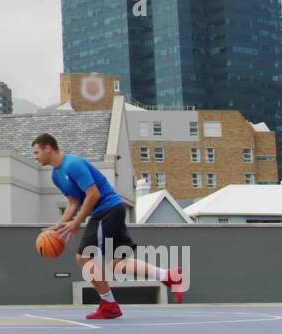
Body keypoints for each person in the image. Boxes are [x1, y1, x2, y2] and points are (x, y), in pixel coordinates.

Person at [31, 133, 184, 320]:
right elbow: (73, 202)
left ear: (48, 148)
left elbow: (93, 194)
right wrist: (58, 226)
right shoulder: (56, 176)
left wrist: (77, 223)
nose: (35, 157)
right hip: (104, 213)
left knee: (83, 257)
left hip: (107, 210)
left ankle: (109, 304)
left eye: (36, 152)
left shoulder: (73, 164)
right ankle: (169, 275)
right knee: (116, 265)